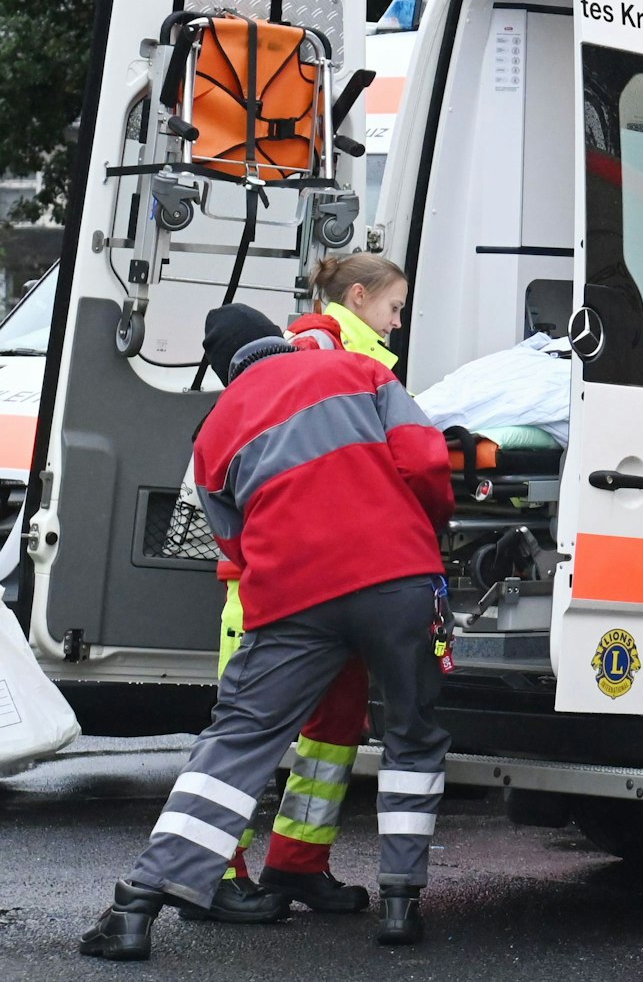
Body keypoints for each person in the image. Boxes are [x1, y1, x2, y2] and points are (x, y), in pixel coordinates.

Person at [80, 305, 453, 961]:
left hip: (293, 598)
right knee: (412, 735)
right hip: (397, 576)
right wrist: (426, 527)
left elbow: (233, 541)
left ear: (231, 371)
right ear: (278, 342)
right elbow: (426, 460)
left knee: (238, 742)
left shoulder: (213, 429)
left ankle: (136, 906)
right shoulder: (359, 369)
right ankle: (401, 904)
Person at [209, 254, 411, 914]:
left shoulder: (349, 352)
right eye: (393, 307)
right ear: (358, 296)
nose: (398, 322)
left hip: (332, 578)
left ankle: (297, 862)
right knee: (248, 738)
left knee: (334, 725)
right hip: (277, 589)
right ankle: (213, 872)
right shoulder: (319, 351)